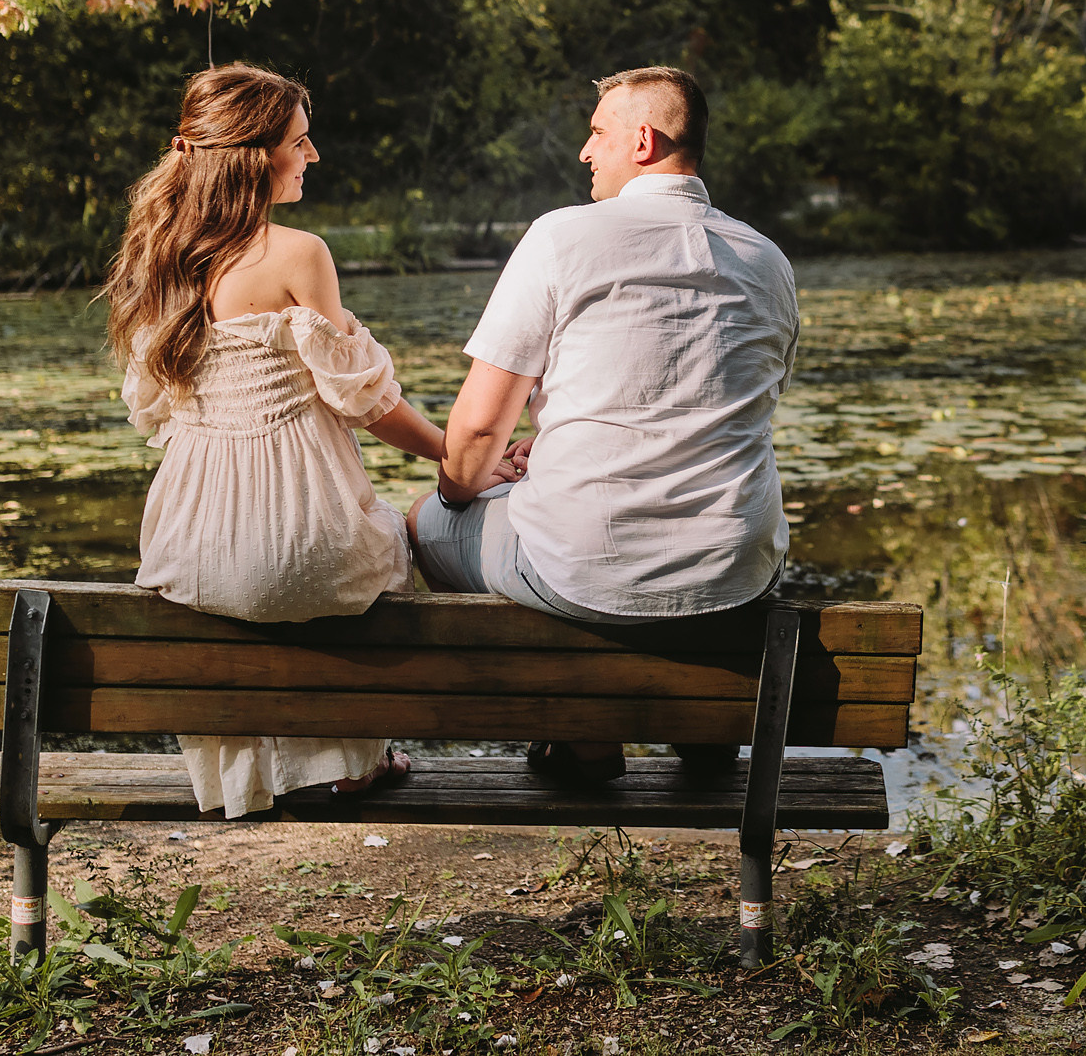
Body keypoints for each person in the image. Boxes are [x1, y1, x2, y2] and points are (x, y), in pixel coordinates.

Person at [108, 61, 502, 819]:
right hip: (305, 538)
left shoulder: (158, 253)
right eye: (301, 140)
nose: (314, 154)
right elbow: (366, 401)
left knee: (248, 588)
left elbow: (154, 405)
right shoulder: (299, 253)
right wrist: (455, 454)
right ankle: (352, 759)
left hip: (188, 547)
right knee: (389, 538)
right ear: (256, 155)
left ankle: (251, 776)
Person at [410, 66, 800, 785]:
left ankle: (580, 736)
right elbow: (731, 407)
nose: (586, 151)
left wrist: (461, 488)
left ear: (643, 141)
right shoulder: (766, 258)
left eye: (597, 133)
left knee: (434, 524)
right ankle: (700, 720)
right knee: (654, 561)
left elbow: (470, 439)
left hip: (584, 571)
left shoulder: (563, 237)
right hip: (738, 571)